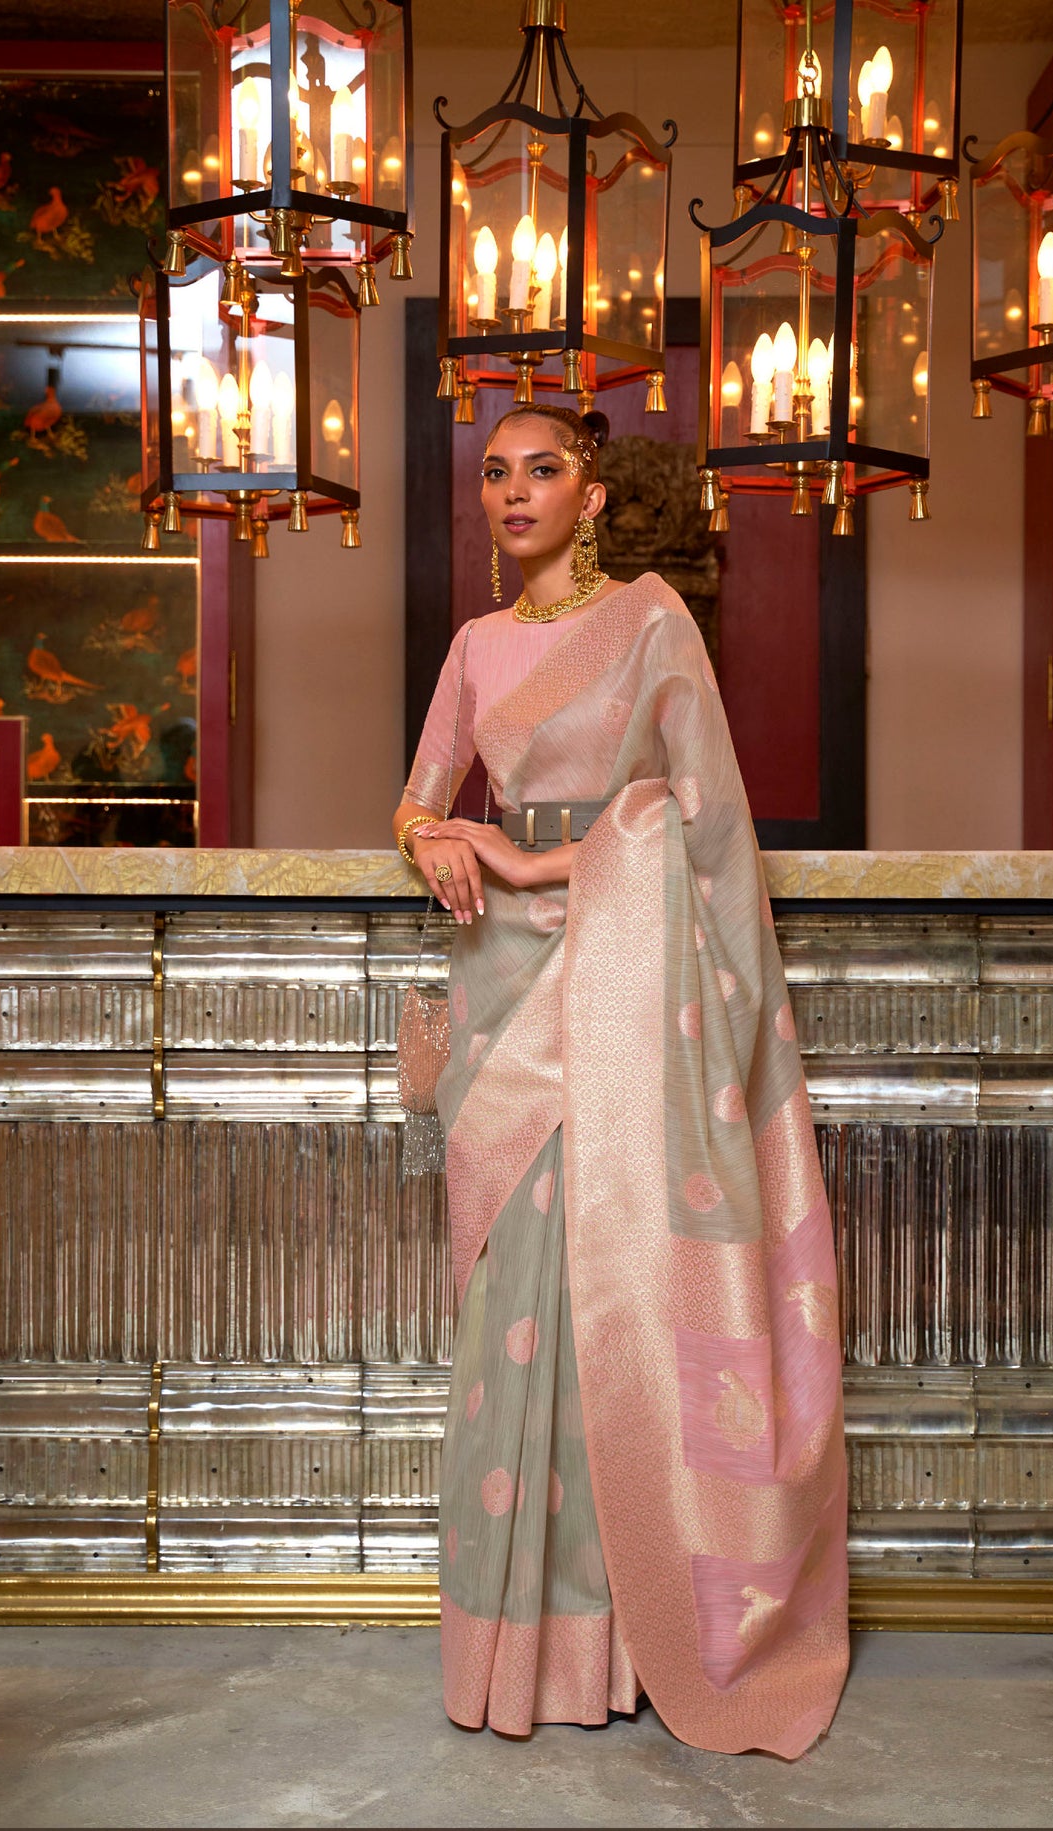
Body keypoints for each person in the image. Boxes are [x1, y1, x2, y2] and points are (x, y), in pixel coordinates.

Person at [390, 403, 849, 1759]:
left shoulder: (651, 622)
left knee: (612, 1294)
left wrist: (541, 859)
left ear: (590, 499)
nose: (514, 491)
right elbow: (420, 791)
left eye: (543, 471)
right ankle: (513, 1646)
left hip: (625, 973)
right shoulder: (474, 646)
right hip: (502, 980)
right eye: (495, 472)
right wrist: (432, 838)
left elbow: (699, 820)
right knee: (513, 1301)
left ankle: (620, 1639)